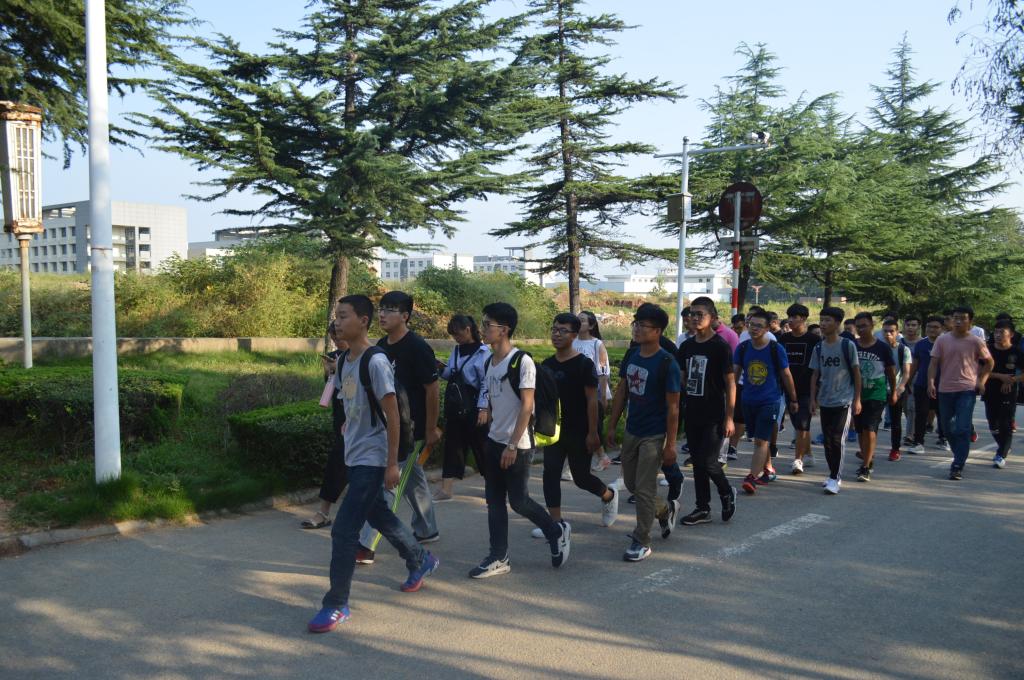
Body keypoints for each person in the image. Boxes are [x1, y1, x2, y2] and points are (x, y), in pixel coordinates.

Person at [307, 295, 438, 634]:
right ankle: (420, 559)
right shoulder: (345, 361)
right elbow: (352, 406)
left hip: (374, 457)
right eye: (336, 317)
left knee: (343, 529)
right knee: (379, 514)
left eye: (343, 316)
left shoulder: (376, 361)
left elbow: (392, 414)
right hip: (354, 454)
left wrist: (392, 463)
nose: (337, 322)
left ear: (362, 321)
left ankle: (336, 603)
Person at [469, 302, 571, 578]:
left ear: (504, 330)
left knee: (519, 501)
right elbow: (496, 398)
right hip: (494, 441)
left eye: (487, 325)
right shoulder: (489, 361)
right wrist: (488, 416)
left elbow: (527, 406)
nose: (482, 329)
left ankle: (555, 531)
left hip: (518, 445)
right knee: (494, 502)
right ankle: (498, 556)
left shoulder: (521, 361)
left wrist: (512, 445)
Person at [356, 291, 440, 564]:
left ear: (405, 316)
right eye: (381, 309)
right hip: (391, 426)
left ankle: (366, 544)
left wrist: (431, 428)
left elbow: (432, 389)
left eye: (390, 310)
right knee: (413, 480)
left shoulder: (417, 347)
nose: (382, 314)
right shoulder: (382, 345)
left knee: (389, 483)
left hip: (411, 429)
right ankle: (427, 529)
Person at [606, 303, 681, 561]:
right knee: (631, 484)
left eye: (643, 325)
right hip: (632, 430)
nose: (636, 329)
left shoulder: (667, 363)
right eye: (635, 324)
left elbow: (673, 408)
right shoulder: (632, 355)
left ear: (657, 331)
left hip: (654, 434)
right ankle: (665, 510)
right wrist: (612, 424)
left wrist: (670, 445)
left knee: (645, 489)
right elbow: (622, 391)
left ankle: (642, 540)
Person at [533, 313, 619, 537]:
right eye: (554, 330)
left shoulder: (583, 364)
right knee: (550, 473)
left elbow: (592, 400)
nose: (556, 334)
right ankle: (556, 524)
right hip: (554, 431)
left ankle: (608, 495)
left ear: (574, 335)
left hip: (580, 430)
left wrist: (593, 433)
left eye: (563, 331)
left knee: (581, 478)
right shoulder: (547, 365)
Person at [676, 297, 737, 525]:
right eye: (692, 313)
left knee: (709, 461)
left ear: (712, 318)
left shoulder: (720, 346)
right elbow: (681, 377)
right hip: (692, 411)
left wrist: (729, 417)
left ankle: (726, 492)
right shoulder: (687, 346)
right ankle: (703, 508)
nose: (694, 318)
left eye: (700, 314)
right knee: (697, 463)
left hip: (714, 414)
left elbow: (730, 383)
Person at [734, 310, 798, 494]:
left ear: (768, 328)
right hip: (748, 400)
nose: (754, 329)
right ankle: (768, 469)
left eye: (759, 326)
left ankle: (752, 477)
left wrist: (793, 399)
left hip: (770, 401)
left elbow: (786, 375)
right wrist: (729, 397)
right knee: (759, 438)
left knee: (761, 441)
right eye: (751, 325)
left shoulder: (775, 349)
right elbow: (734, 374)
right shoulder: (743, 348)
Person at [929, 306, 994, 480]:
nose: (958, 321)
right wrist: (931, 382)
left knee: (962, 427)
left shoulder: (975, 341)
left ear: (970, 321)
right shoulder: (942, 340)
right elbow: (934, 363)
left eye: (962, 318)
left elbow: (989, 362)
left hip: (966, 389)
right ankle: (959, 454)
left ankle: (957, 465)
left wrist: (981, 381)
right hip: (945, 389)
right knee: (947, 427)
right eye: (955, 317)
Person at [435, 315, 491, 502]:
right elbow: (451, 374)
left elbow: (486, 383)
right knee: (452, 446)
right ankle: (446, 489)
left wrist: (483, 409)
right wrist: (439, 368)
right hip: (456, 406)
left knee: (481, 447)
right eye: (453, 335)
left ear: (468, 330)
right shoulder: (457, 350)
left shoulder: (483, 353)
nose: (455, 338)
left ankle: (492, 486)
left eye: (457, 334)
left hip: (474, 406)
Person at [809, 307, 861, 494]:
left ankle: (835, 477)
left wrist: (857, 399)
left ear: (837, 323)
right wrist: (813, 399)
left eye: (827, 320)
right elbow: (815, 374)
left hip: (844, 400)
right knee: (828, 440)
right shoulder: (818, 347)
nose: (823, 324)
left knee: (838, 439)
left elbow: (857, 374)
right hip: (825, 400)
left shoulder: (847, 345)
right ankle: (832, 474)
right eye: (822, 320)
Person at [303, 321, 350, 530]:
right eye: (333, 337)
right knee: (341, 463)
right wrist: (329, 372)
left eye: (338, 336)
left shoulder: (362, 357)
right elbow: (331, 389)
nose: (336, 341)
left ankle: (323, 512)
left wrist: (340, 371)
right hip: (340, 417)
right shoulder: (335, 356)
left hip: (358, 420)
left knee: (338, 462)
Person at [851, 312, 896, 482]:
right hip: (856, 394)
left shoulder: (882, 348)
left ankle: (865, 466)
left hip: (876, 393)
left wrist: (893, 391)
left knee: (870, 428)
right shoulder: (852, 346)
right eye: (858, 326)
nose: (861, 329)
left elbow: (890, 371)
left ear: (872, 325)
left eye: (864, 325)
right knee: (860, 429)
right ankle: (867, 458)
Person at [779, 303, 821, 474]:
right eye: (789, 316)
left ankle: (798, 460)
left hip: (807, 389)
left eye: (794, 317)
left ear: (803, 319)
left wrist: (816, 394)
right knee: (799, 424)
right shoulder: (783, 339)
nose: (790, 320)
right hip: (788, 388)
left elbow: (819, 368)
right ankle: (809, 454)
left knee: (803, 424)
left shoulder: (814, 341)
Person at [575, 310, 613, 470]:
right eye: (578, 319)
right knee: (578, 427)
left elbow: (602, 372)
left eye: (583, 320)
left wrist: (603, 396)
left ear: (591, 326)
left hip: (593, 394)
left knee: (592, 427)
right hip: (575, 393)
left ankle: (599, 457)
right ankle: (601, 457)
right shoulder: (572, 341)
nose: (579, 322)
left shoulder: (597, 344)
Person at [985, 320, 1022, 468]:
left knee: (1005, 422)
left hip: (1008, 392)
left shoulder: (1017, 352)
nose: (998, 335)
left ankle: (1001, 454)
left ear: (1011, 334)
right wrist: (1001, 377)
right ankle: (1004, 445)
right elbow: (980, 371)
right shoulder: (987, 350)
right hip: (990, 389)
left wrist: (1012, 379)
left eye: (1002, 332)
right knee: (993, 424)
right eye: (996, 332)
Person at [907, 316, 945, 454]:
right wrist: (908, 381)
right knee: (921, 413)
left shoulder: (946, 343)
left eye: (935, 327)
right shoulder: (921, 344)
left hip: (943, 385)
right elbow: (915, 364)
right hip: (922, 384)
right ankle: (918, 442)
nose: (932, 329)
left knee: (942, 413)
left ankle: (943, 438)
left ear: (942, 328)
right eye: (929, 326)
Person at [882, 319, 912, 461]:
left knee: (895, 422)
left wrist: (900, 388)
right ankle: (868, 450)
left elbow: (906, 372)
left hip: (896, 391)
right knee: (872, 422)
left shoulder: (903, 349)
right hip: (878, 390)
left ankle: (895, 449)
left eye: (891, 331)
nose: (888, 334)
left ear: (897, 332)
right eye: (885, 331)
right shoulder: (878, 348)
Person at [901, 315, 923, 447]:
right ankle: (913, 428)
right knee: (905, 407)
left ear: (919, 327)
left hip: (916, 378)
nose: (910, 328)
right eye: (908, 325)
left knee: (911, 407)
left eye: (914, 325)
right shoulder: (899, 342)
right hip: (900, 377)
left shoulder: (923, 343)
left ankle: (910, 435)